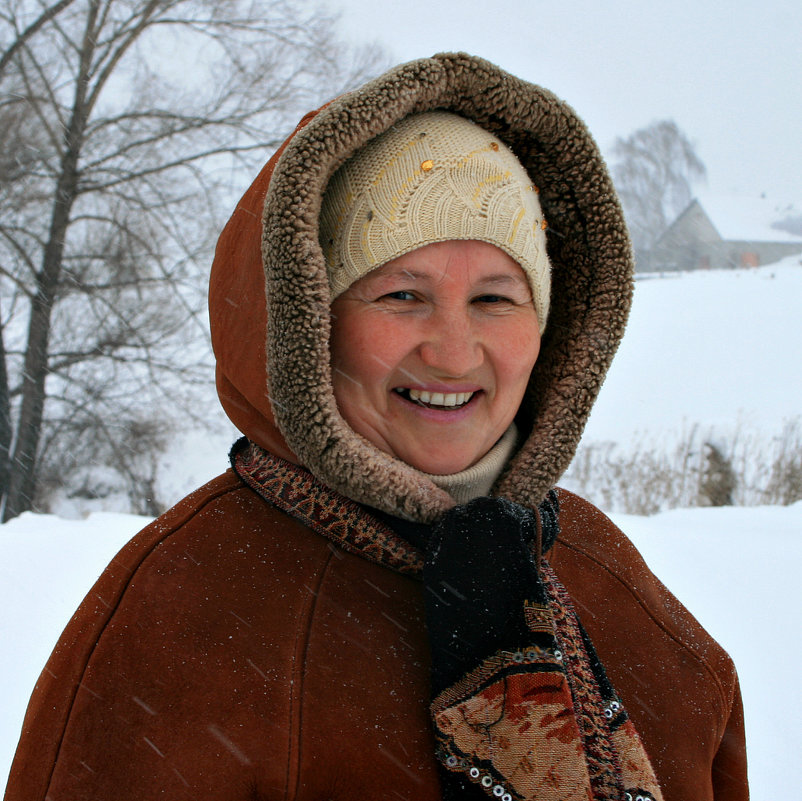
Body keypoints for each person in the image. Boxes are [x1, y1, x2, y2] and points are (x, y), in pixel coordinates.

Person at [4, 54, 747, 801]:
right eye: (401, 294)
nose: (454, 351)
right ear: (311, 319)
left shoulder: (617, 592)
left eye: (495, 298)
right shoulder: (178, 613)